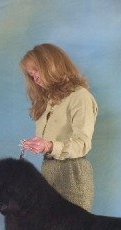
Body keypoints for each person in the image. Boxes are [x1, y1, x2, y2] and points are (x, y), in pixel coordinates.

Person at [19, 43, 98, 211]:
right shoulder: (45, 101)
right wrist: (39, 145)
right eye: (31, 75)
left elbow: (83, 144)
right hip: (48, 169)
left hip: (72, 172)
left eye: (37, 71)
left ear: (53, 66)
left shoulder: (80, 97)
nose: (35, 79)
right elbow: (48, 144)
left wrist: (49, 146)